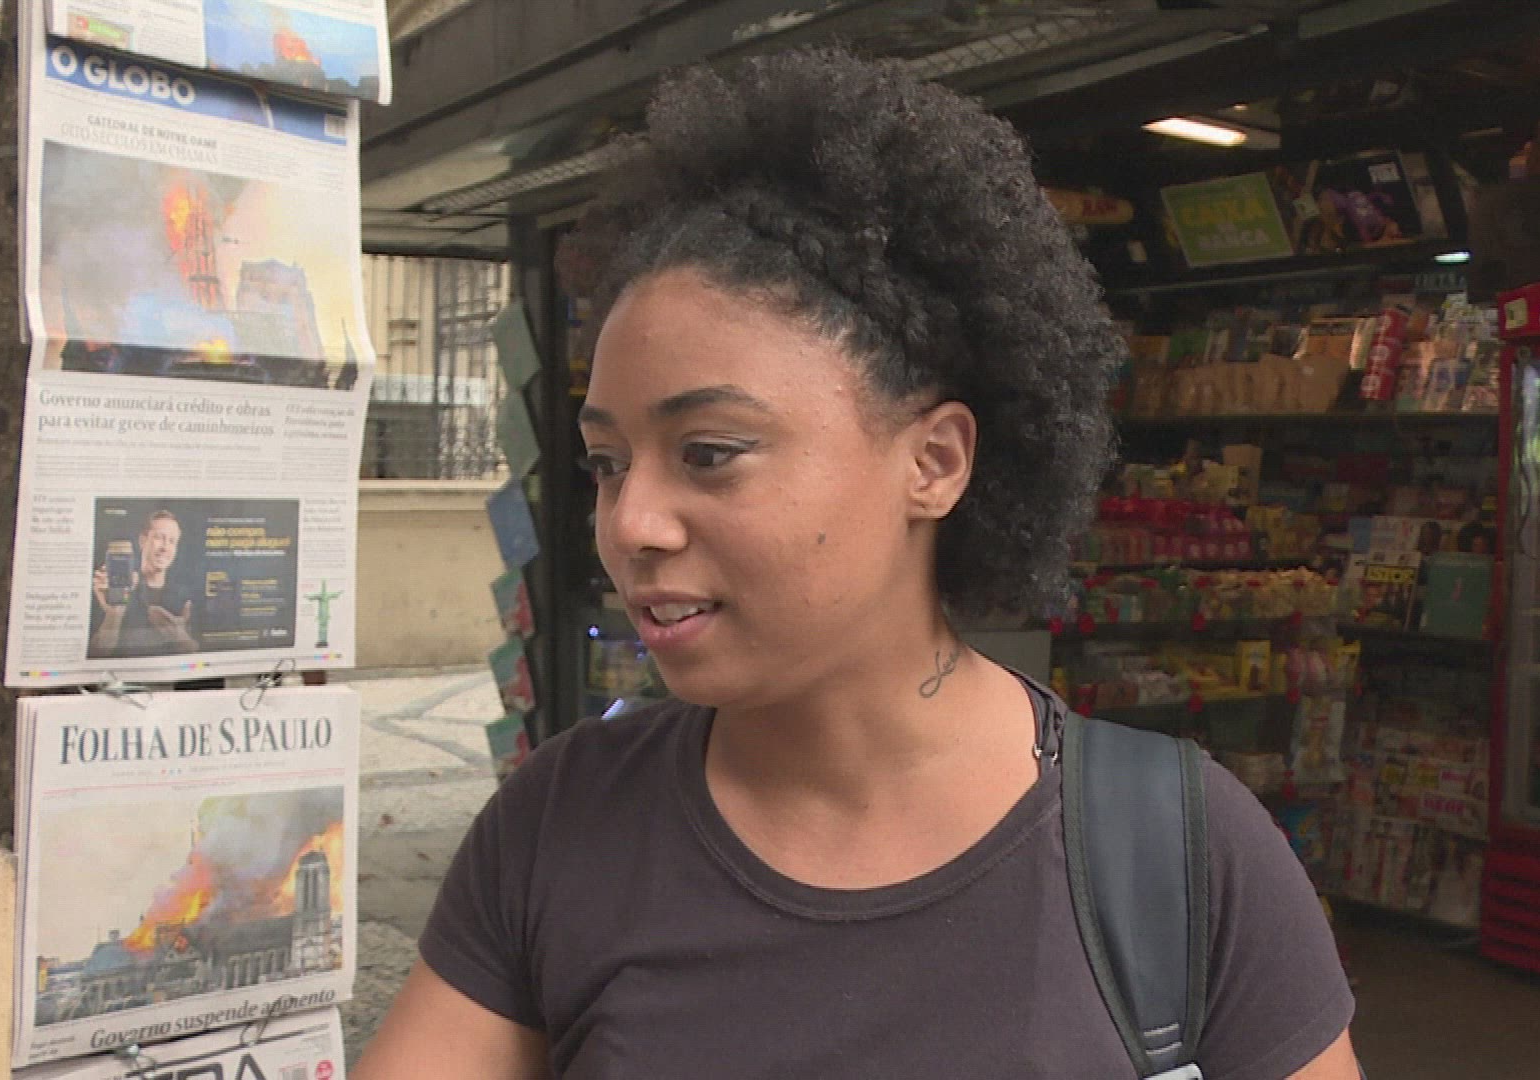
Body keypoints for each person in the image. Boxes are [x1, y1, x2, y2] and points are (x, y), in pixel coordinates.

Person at [358, 48, 1359, 1079]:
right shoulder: (563, 824)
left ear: (935, 463)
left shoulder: (1181, 858)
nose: (632, 524)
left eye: (709, 453)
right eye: (607, 464)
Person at [90, 509, 198, 658]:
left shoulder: (186, 597)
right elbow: (98, 654)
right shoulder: (112, 589)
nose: (165, 547)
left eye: (172, 541)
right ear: (143, 540)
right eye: (159, 538)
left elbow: (201, 657)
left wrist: (180, 638)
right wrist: (114, 613)